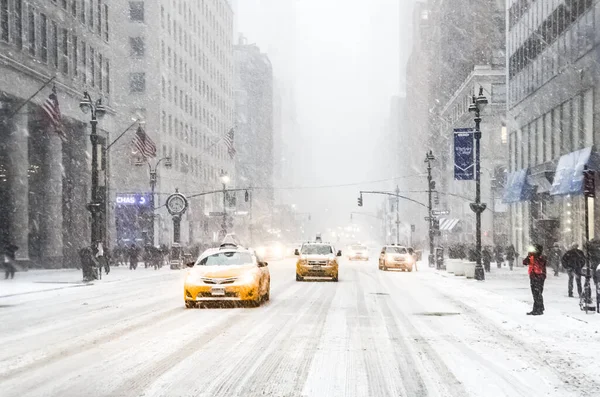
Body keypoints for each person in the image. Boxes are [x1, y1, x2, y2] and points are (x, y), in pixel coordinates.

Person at [523, 244, 547, 315]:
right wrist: (529, 256)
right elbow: (525, 262)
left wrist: (532, 257)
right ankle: (536, 309)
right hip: (533, 276)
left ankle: (539, 309)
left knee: (537, 293)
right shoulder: (532, 257)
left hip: (539, 276)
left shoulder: (541, 257)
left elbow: (540, 264)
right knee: (535, 293)